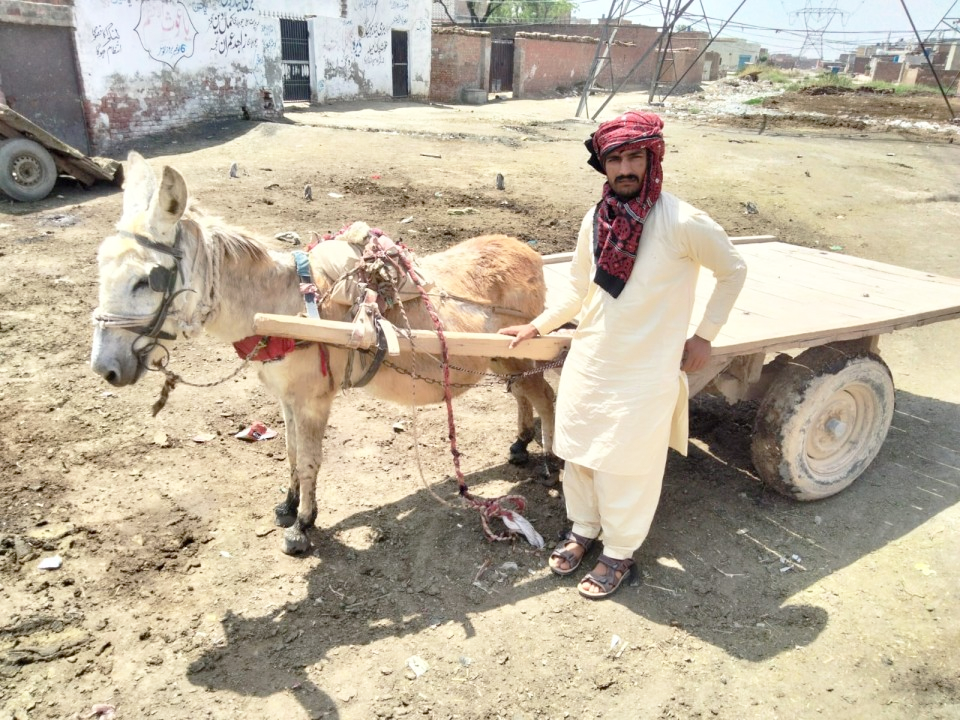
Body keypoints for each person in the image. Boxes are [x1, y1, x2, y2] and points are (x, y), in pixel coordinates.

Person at [499, 110, 747, 600]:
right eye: (616, 159)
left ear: (652, 159)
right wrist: (537, 325)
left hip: (646, 368)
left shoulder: (682, 221)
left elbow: (733, 269)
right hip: (591, 359)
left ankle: (619, 551)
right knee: (579, 454)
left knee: (627, 465)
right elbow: (577, 291)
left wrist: (704, 336)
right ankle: (583, 530)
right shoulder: (598, 219)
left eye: (635, 157)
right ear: (604, 166)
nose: (626, 168)